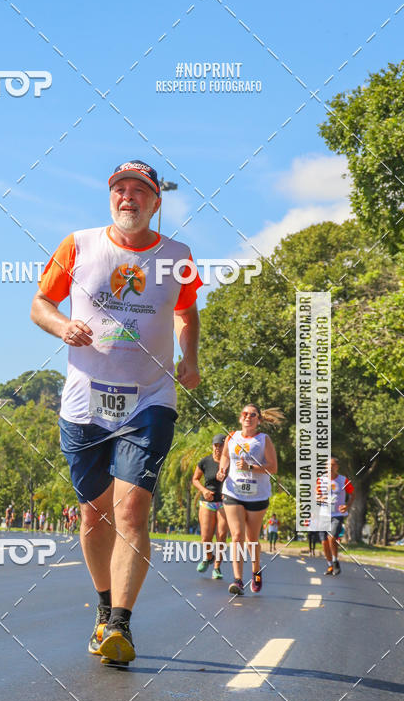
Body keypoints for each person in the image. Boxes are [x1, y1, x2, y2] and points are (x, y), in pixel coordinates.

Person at [30, 159, 202, 664]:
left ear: (156, 202)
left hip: (149, 398)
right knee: (94, 513)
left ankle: (121, 626)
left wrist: (189, 356)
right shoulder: (79, 244)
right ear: (112, 197)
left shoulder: (178, 256)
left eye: (139, 191)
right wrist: (62, 327)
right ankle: (104, 611)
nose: (128, 197)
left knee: (131, 508)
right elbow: (40, 302)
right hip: (84, 399)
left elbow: (186, 311)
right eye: (120, 189)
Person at [217, 404, 283, 596]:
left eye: (253, 415)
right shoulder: (232, 436)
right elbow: (225, 457)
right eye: (245, 414)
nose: (248, 417)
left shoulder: (264, 440)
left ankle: (256, 570)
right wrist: (222, 469)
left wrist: (251, 468)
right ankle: (237, 580)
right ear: (240, 418)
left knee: (252, 539)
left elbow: (273, 467)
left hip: (257, 495)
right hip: (233, 492)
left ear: (259, 420)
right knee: (237, 535)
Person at [191, 434, 228, 578]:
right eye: (216, 445)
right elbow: (195, 479)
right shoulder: (205, 461)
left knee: (222, 536)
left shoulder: (229, 463)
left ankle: (217, 568)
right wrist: (204, 490)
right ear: (212, 446)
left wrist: (229, 492)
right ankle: (208, 557)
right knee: (206, 537)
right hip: (207, 502)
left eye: (221, 445)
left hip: (225, 503)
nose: (218, 448)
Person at [317, 457, 355, 576]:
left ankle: (335, 561)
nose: (330, 467)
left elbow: (352, 494)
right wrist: (320, 498)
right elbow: (316, 496)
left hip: (337, 514)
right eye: (328, 465)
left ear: (337, 467)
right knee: (324, 542)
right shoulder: (321, 480)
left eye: (333, 465)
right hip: (323, 514)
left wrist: (347, 506)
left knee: (332, 538)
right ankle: (329, 565)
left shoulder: (343, 480)